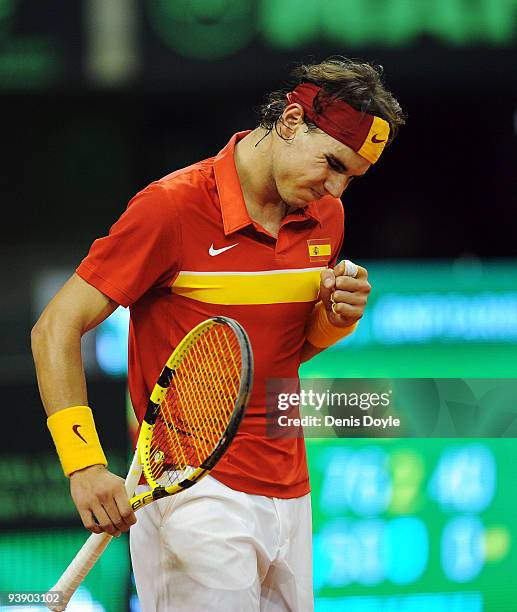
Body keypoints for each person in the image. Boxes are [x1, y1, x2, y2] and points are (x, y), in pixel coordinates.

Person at [31, 57, 405, 611]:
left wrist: (334, 319)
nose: (336, 189)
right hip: (191, 490)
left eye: (350, 176)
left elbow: (279, 353)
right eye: (331, 164)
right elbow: (55, 326)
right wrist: (83, 463)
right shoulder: (172, 207)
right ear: (292, 120)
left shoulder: (324, 216)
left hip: (289, 488)